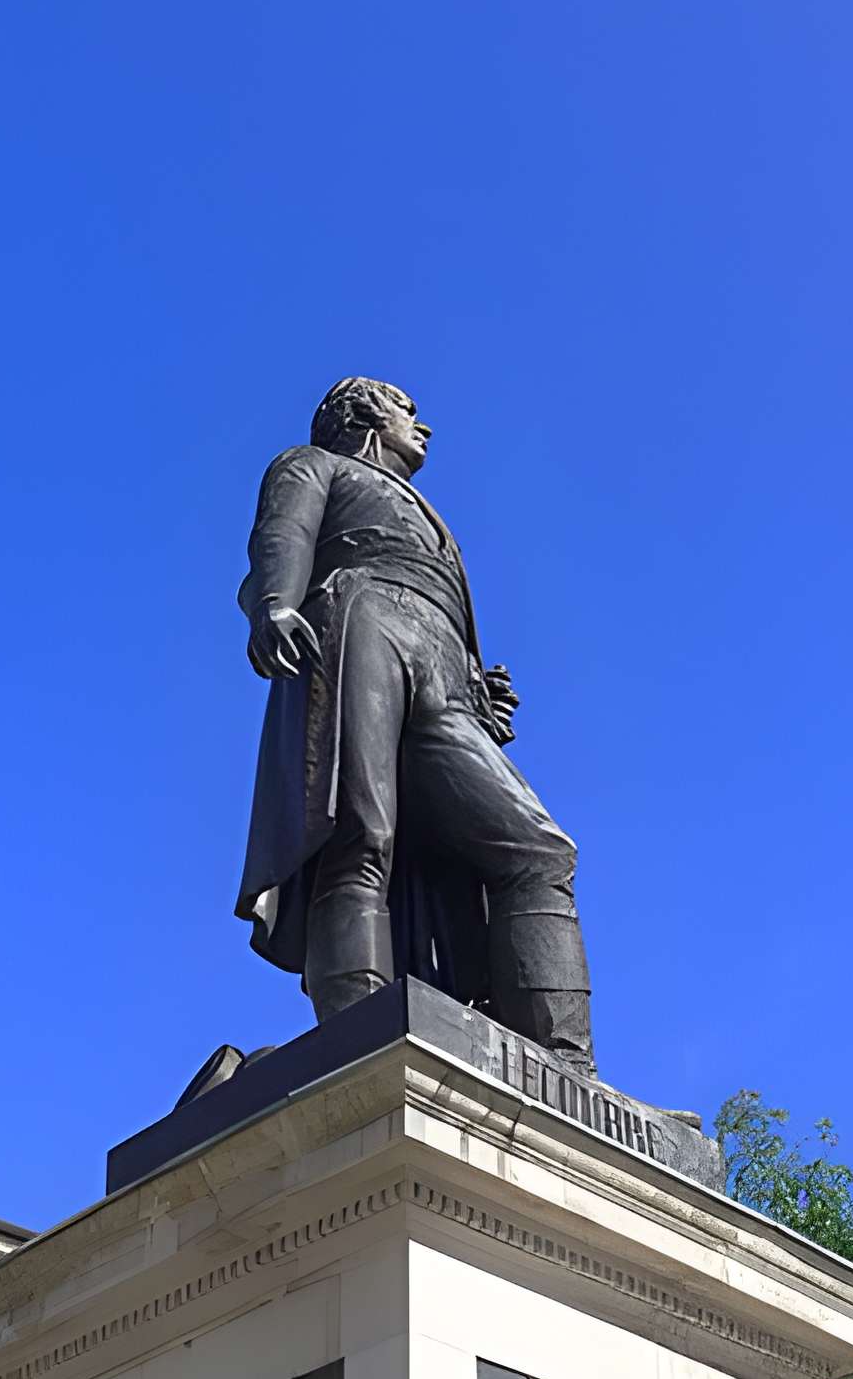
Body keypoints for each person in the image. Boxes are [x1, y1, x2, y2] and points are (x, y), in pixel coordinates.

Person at [234, 377, 595, 1071]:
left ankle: (564, 1066)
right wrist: (276, 604)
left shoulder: (430, 516)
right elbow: (281, 535)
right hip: (358, 618)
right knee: (359, 829)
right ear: (364, 413)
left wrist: (470, 679)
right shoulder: (313, 466)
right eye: (407, 408)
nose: (422, 423)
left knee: (540, 852)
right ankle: (360, 1034)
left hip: (439, 664)